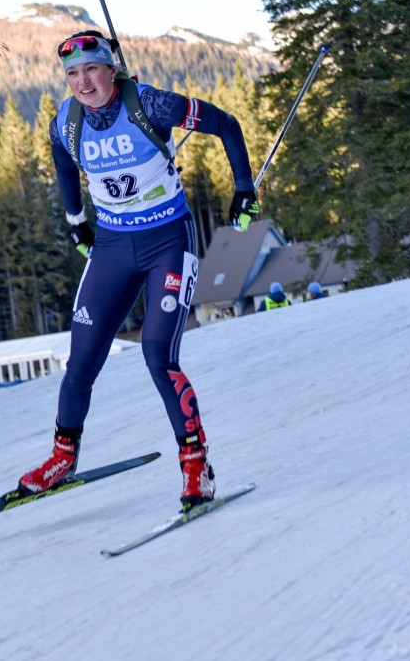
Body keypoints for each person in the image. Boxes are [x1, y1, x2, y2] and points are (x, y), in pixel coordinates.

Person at [18, 30, 260, 511]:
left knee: (156, 354)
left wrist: (244, 188)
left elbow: (227, 125)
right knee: (81, 359)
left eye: (91, 69)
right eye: (72, 74)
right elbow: (65, 168)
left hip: (168, 241)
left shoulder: (152, 104)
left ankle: (196, 465)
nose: (83, 82)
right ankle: (62, 457)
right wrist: (75, 222)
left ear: (112, 69)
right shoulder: (65, 122)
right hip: (111, 247)